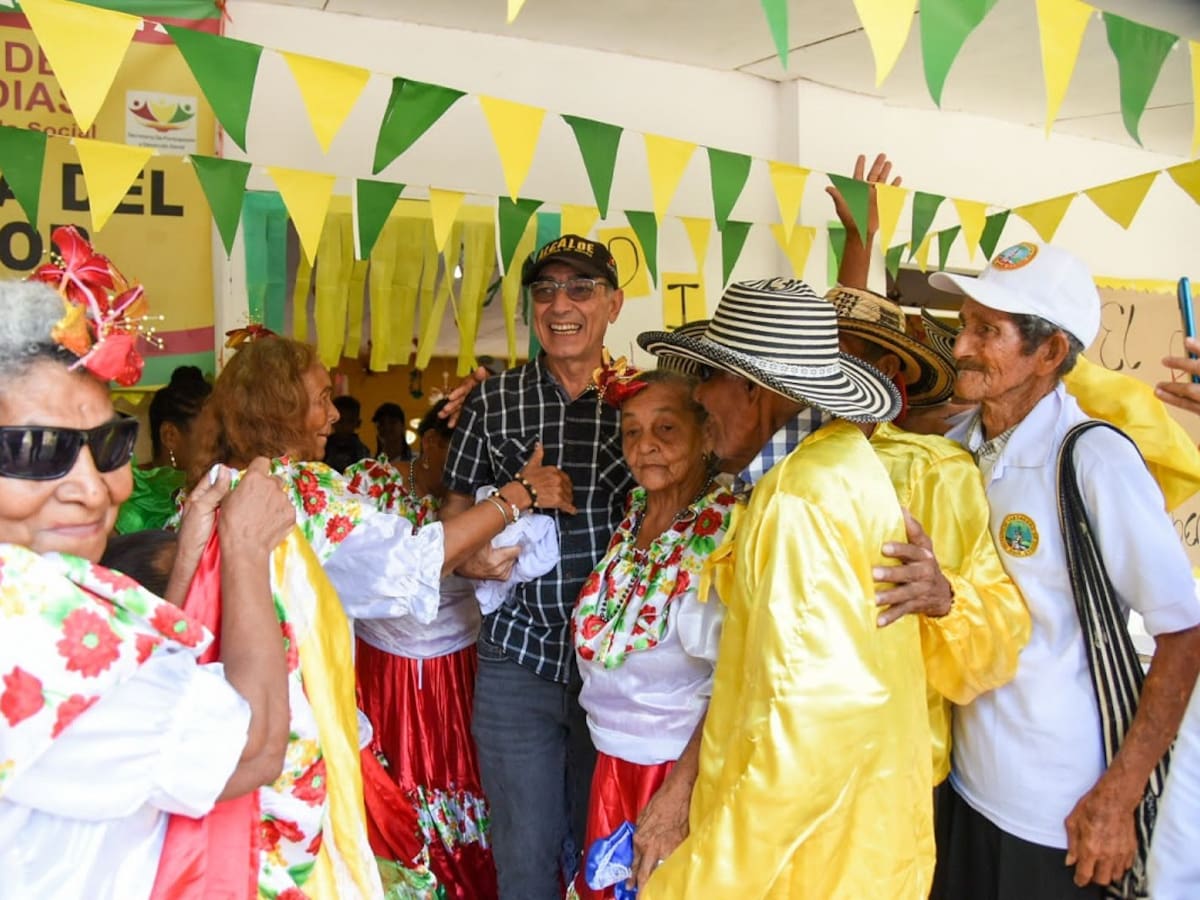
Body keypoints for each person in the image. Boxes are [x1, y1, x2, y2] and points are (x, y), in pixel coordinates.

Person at [187, 334, 572, 897]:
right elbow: (411, 563)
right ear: (281, 407)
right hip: (301, 744)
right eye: (321, 398)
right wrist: (517, 496)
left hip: (228, 736)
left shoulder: (211, 489)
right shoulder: (301, 494)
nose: (335, 414)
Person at [636, 277, 934, 898]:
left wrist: (696, 883)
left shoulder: (798, 498)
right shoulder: (833, 464)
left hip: (812, 866)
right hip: (848, 846)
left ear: (754, 388)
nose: (701, 402)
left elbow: (798, 735)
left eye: (709, 380)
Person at [0, 271, 293, 900]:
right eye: (35, 448)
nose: (91, 487)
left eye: (108, 444)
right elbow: (255, 747)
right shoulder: (24, 622)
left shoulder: (50, 591)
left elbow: (155, 680)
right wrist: (243, 552)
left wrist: (189, 553)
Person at [927, 241, 1200, 899]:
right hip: (964, 787)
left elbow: (1185, 632)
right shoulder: (955, 447)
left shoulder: (1092, 460)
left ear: (1050, 354)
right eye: (962, 324)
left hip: (1058, 813)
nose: (960, 346)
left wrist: (1118, 794)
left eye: (986, 331)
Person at [441, 234, 631, 899]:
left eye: (580, 289)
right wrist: (470, 562)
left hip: (621, 667)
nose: (561, 305)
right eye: (545, 291)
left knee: (608, 853)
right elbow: (452, 520)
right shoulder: (493, 402)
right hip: (518, 658)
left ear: (614, 303)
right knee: (522, 860)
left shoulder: (645, 404)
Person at [823, 285, 1031, 792]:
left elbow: (995, 642)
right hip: (787, 760)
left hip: (888, 776)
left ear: (887, 370)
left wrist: (946, 598)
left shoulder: (933, 470)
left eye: (839, 351)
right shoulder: (772, 461)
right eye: (809, 348)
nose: (818, 366)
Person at [566, 366, 733, 900]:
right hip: (613, 768)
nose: (645, 447)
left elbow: (736, 680)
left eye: (665, 429)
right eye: (632, 432)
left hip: (674, 776)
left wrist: (679, 794)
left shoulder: (726, 531)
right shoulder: (636, 512)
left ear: (706, 434)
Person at [345, 401, 497, 900]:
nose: (472, 465)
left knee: (466, 786)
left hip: (461, 671)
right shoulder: (369, 484)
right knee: (395, 792)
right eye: (461, 452)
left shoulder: (488, 495)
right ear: (429, 442)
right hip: (384, 671)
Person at [116, 365, 211, 534]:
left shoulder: (216, 486)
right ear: (170, 436)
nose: (222, 447)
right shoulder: (130, 508)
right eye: (211, 438)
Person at [324, 394, 373, 472]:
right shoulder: (324, 446)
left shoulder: (361, 450)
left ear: (358, 423)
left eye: (350, 421)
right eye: (341, 421)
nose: (344, 426)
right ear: (332, 422)